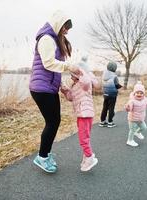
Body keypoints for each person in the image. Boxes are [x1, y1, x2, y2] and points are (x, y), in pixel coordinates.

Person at [29, 10, 80, 173]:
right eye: (66, 26)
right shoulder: (46, 39)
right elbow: (48, 64)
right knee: (52, 122)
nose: (67, 30)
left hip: (48, 88)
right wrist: (68, 66)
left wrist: (64, 85)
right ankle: (42, 157)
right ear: (59, 23)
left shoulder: (53, 40)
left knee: (54, 121)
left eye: (69, 28)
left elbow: (54, 71)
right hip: (41, 89)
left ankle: (45, 154)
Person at [61, 56, 99, 172]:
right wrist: (65, 90)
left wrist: (81, 69)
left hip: (85, 114)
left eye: (73, 74)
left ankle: (89, 157)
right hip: (81, 114)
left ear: (79, 73)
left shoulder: (85, 82)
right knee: (84, 137)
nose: (71, 76)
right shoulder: (76, 84)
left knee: (83, 138)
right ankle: (87, 155)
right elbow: (71, 98)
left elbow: (86, 80)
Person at [125, 81, 147, 147]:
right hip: (133, 119)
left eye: (141, 93)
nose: (139, 94)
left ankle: (137, 132)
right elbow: (129, 108)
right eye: (137, 93)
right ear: (134, 93)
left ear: (143, 94)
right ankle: (129, 141)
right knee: (132, 130)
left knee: (144, 128)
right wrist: (128, 107)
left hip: (141, 119)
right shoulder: (132, 101)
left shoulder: (145, 99)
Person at [99, 61, 122, 128]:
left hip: (105, 94)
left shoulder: (104, 75)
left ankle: (102, 122)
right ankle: (110, 122)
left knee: (105, 107)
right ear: (114, 68)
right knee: (111, 108)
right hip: (112, 95)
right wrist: (121, 87)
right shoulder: (114, 76)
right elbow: (117, 85)